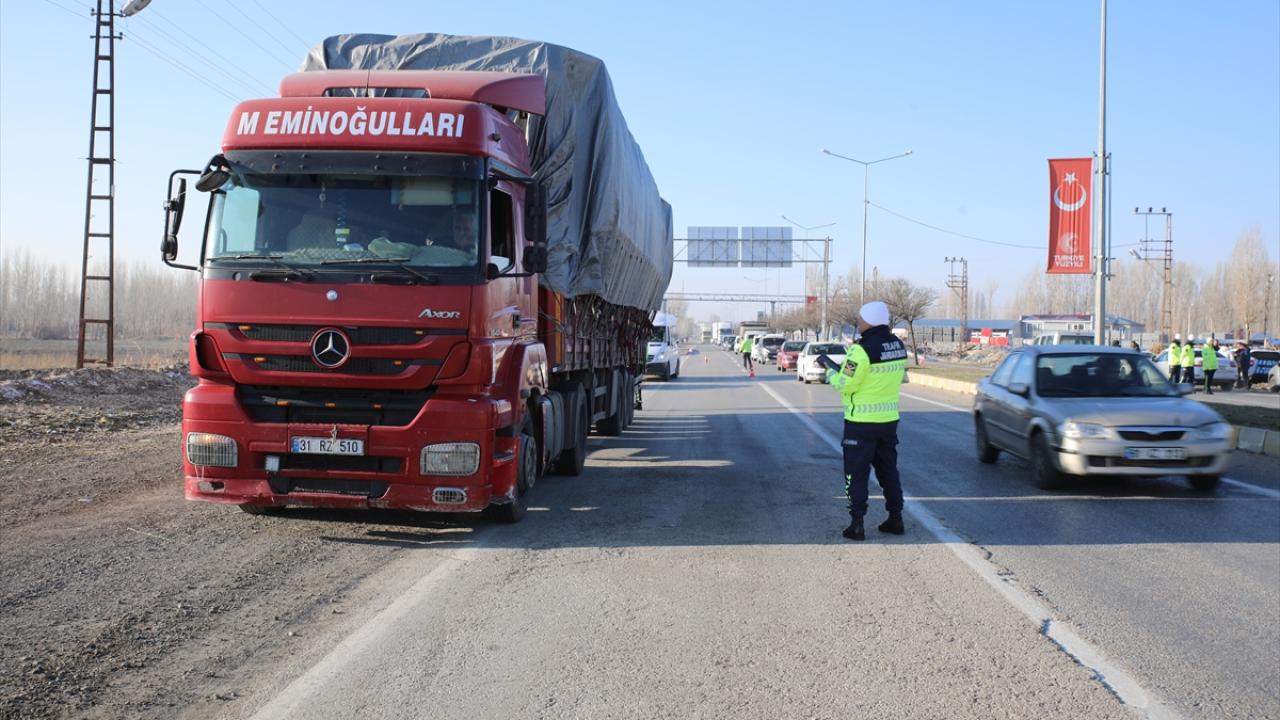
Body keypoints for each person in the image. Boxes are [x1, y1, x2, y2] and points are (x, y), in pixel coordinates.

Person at [825, 301, 908, 541]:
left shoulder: (860, 350)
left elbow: (845, 383)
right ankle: (896, 518)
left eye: (860, 319)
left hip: (860, 423)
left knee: (856, 474)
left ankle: (857, 524)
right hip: (889, 420)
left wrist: (830, 372)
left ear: (870, 320)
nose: (858, 323)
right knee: (888, 471)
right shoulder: (897, 346)